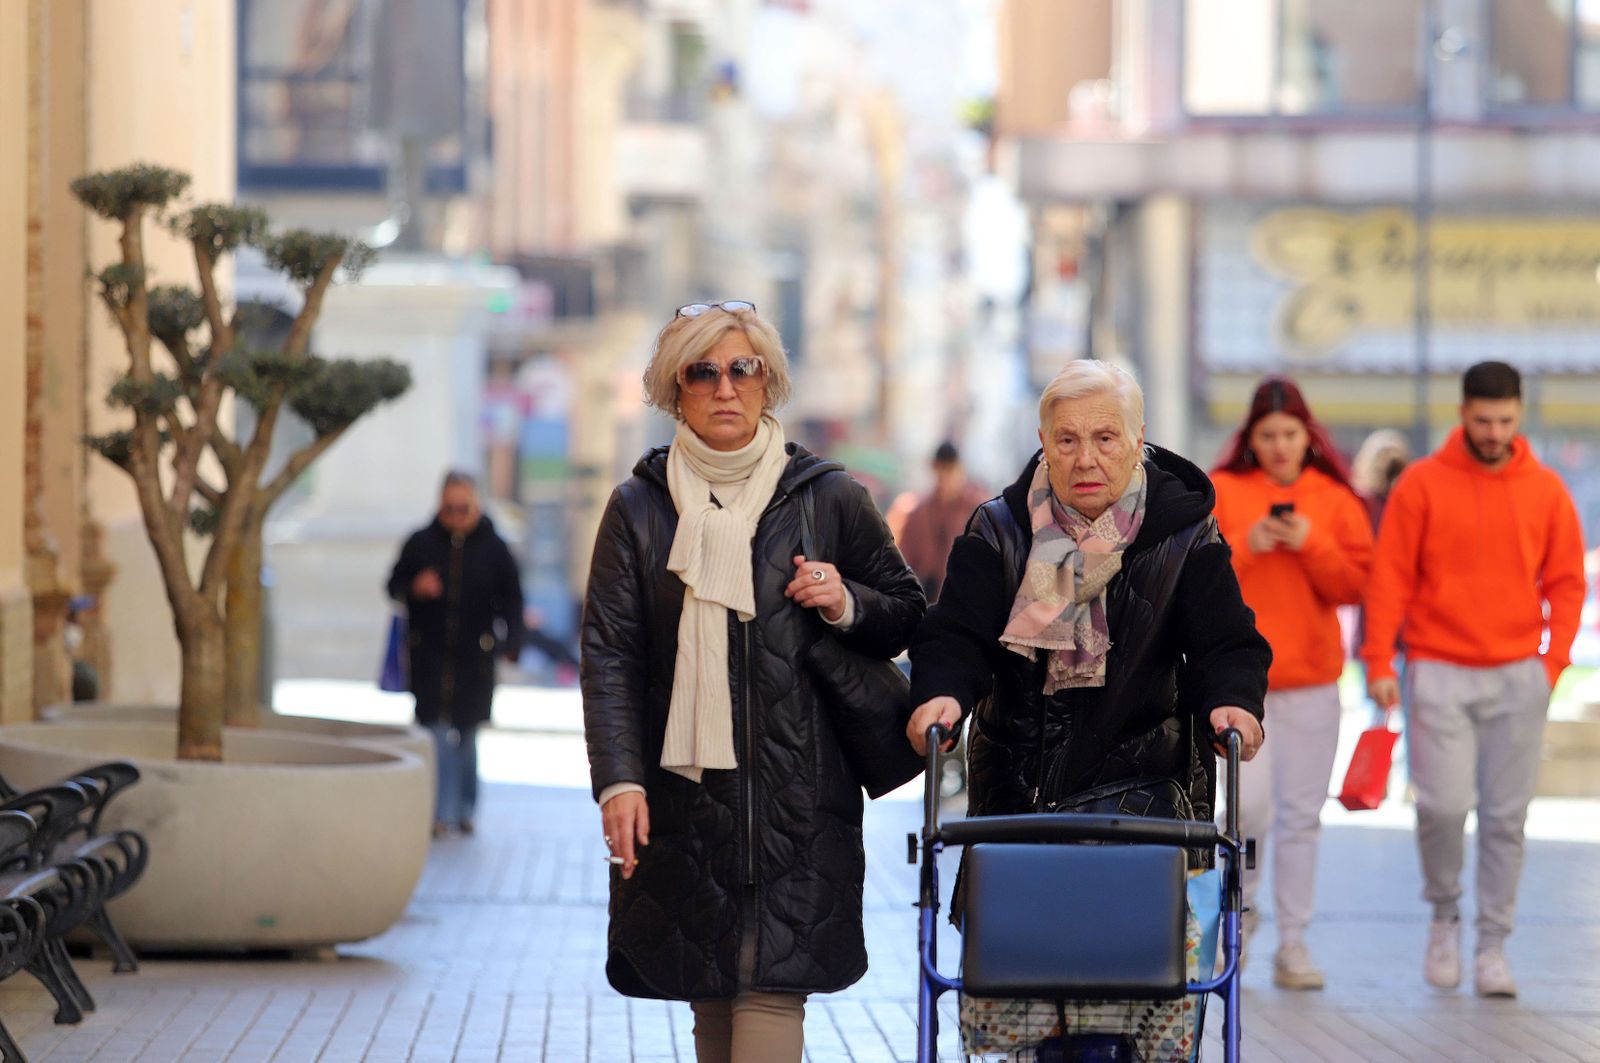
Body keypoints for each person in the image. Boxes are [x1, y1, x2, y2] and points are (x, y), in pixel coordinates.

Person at [580, 301, 924, 1063]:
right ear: (674, 389)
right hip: (682, 802)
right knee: (709, 995)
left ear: (769, 381)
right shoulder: (638, 508)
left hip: (797, 803)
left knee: (770, 994)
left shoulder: (829, 497)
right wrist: (618, 782)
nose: (725, 386)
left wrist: (845, 600)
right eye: (702, 371)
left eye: (743, 367)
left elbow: (906, 612)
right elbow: (610, 655)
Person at [905, 359, 1269, 1058]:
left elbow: (1227, 642)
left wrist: (1233, 703)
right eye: (1067, 439)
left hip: (1146, 808)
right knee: (1028, 1022)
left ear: (1137, 439)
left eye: (1105, 438)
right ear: (1043, 441)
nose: (1086, 458)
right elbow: (955, 635)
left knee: (1144, 1015)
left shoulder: (1184, 533)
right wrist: (943, 693)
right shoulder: (999, 528)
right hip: (1019, 804)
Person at [1361, 360, 1586, 998]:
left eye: (1505, 421)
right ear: (1462, 413)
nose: (1494, 432)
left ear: (1519, 415)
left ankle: (1492, 945)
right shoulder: (1422, 484)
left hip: (1518, 673)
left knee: (1506, 819)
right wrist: (1378, 662)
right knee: (1441, 807)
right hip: (1436, 667)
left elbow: (1567, 583)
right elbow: (1390, 577)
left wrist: (1552, 663)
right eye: (1483, 420)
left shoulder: (1545, 490)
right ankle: (1445, 913)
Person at [1210, 377, 1374, 989]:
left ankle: (1295, 944)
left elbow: (1357, 585)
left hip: (1311, 683)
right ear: (1250, 439)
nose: (1280, 445)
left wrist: (1312, 545)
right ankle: (1239, 926)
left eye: (1289, 433)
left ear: (1309, 437)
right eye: (1268, 434)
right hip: (1240, 687)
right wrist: (1246, 546)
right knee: (1245, 811)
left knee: (1303, 816)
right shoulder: (1224, 491)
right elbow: (1199, 578)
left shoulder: (1334, 499)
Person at [386, 472, 525, 839]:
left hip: (474, 660)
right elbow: (393, 584)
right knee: (434, 735)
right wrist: (415, 587)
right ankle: (439, 813)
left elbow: (513, 599)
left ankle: (463, 809)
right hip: (429, 657)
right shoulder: (420, 543)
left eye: (463, 509)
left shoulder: (495, 548)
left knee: (465, 736)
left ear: (476, 505)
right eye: (449, 509)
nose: (456, 517)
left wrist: (512, 642)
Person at [896, 441, 990, 602]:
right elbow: (903, 562)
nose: (946, 480)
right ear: (934, 469)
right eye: (941, 473)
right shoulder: (919, 512)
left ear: (960, 470)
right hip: (923, 598)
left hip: (964, 598)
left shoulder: (978, 509)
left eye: (950, 471)